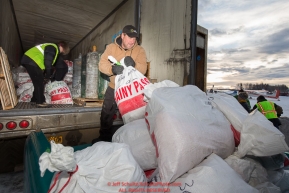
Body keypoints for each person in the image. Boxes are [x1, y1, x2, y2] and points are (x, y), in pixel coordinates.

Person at [92, 25, 147, 143]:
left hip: (131, 90)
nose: (132, 41)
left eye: (134, 38)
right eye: (130, 37)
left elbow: (143, 68)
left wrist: (135, 65)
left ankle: (134, 140)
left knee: (134, 114)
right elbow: (102, 64)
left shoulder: (140, 50)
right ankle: (104, 138)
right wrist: (112, 70)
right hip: (114, 87)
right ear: (123, 35)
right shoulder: (111, 48)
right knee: (106, 112)